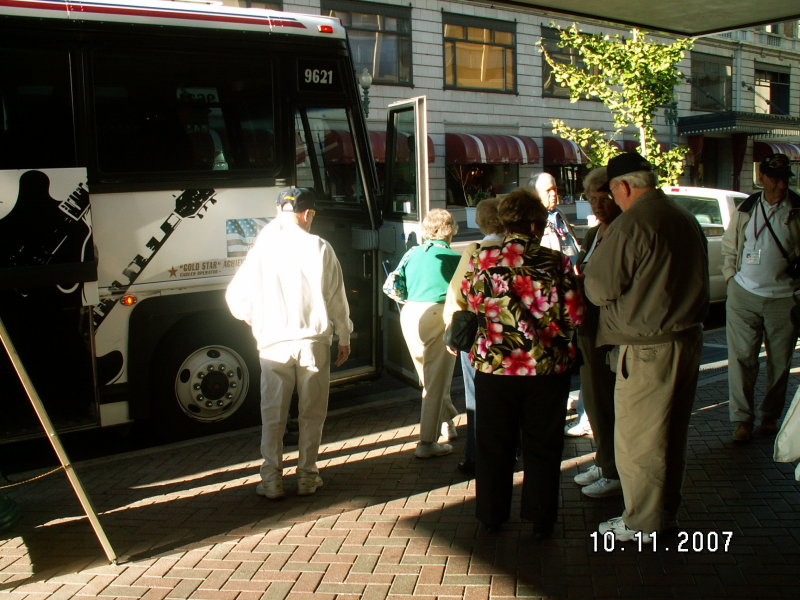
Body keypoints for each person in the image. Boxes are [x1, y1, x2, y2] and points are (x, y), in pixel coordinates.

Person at [584, 152, 708, 543]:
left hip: (646, 347)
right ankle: (662, 512)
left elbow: (600, 288)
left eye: (613, 193)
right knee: (670, 437)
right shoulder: (683, 216)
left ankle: (642, 522)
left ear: (624, 186)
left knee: (640, 440)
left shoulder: (633, 223)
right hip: (685, 341)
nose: (612, 201)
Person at [462, 188, 584, 538]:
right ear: (535, 223)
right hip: (545, 370)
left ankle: (491, 515)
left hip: (494, 367)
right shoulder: (554, 262)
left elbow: (472, 305)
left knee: (493, 444)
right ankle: (540, 516)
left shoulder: (481, 259)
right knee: (543, 445)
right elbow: (575, 315)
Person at [226, 187, 352, 500]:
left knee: (273, 415)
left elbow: (235, 298)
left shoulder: (261, 250)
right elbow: (337, 298)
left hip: (273, 344)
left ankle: (271, 480)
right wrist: (345, 335)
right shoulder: (321, 247)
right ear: (308, 214)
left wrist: (256, 319)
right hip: (313, 342)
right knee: (312, 414)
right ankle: (308, 476)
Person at [721, 153, 800, 442]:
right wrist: (731, 279)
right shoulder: (747, 208)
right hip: (744, 294)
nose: (780, 186)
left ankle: (770, 416)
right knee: (742, 360)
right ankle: (742, 420)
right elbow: (731, 247)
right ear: (762, 178)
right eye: (775, 179)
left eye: (784, 180)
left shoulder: (797, 209)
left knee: (779, 363)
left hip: (784, 298)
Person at [392, 209, 462, 458]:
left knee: (428, 376)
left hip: (410, 314)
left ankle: (447, 422)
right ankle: (426, 442)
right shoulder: (454, 258)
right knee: (436, 381)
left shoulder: (412, 254)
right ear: (449, 229)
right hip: (438, 315)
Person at [571, 167, 623, 498]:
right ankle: (604, 460)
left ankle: (614, 469)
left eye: (603, 198)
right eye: (591, 198)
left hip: (607, 331)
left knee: (606, 401)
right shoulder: (595, 233)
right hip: (587, 329)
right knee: (593, 400)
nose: (597, 205)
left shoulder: (620, 231)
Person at [443, 197, 504, 474]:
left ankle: (475, 455)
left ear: (480, 222)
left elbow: (456, 294)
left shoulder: (475, 251)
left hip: (478, 339)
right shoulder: (517, 250)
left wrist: (452, 330)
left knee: (475, 398)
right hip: (512, 341)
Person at [530, 172, 581, 265]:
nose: (553, 194)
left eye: (555, 189)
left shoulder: (559, 212)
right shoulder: (532, 217)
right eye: (548, 190)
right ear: (535, 194)